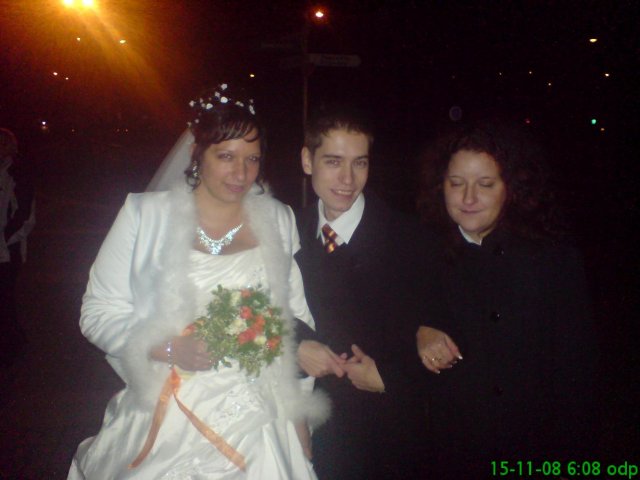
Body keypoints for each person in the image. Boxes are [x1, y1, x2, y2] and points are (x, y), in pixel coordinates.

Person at [68, 84, 328, 479]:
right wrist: (166, 347)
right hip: (168, 402)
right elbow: (97, 311)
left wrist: (298, 416)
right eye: (226, 156)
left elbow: (292, 321)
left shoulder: (278, 219)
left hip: (259, 413)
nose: (241, 173)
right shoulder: (144, 214)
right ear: (197, 154)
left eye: (252, 159)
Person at [416, 121, 597, 478]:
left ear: (510, 189)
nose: (469, 198)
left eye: (485, 184)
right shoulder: (421, 254)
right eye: (456, 183)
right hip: (451, 453)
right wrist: (418, 331)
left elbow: (577, 378)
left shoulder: (553, 260)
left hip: (533, 451)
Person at [295, 105, 442, 479]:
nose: (347, 178)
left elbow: (446, 331)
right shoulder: (288, 231)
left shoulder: (412, 239)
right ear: (307, 161)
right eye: (333, 161)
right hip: (308, 429)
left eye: (359, 163)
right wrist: (294, 348)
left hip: (387, 439)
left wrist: (391, 378)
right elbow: (271, 312)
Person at [0, 127, 35, 367]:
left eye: (3, 144)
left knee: (5, 298)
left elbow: (24, 216)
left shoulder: (18, 174)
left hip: (8, 250)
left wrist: (4, 238)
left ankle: (13, 345)